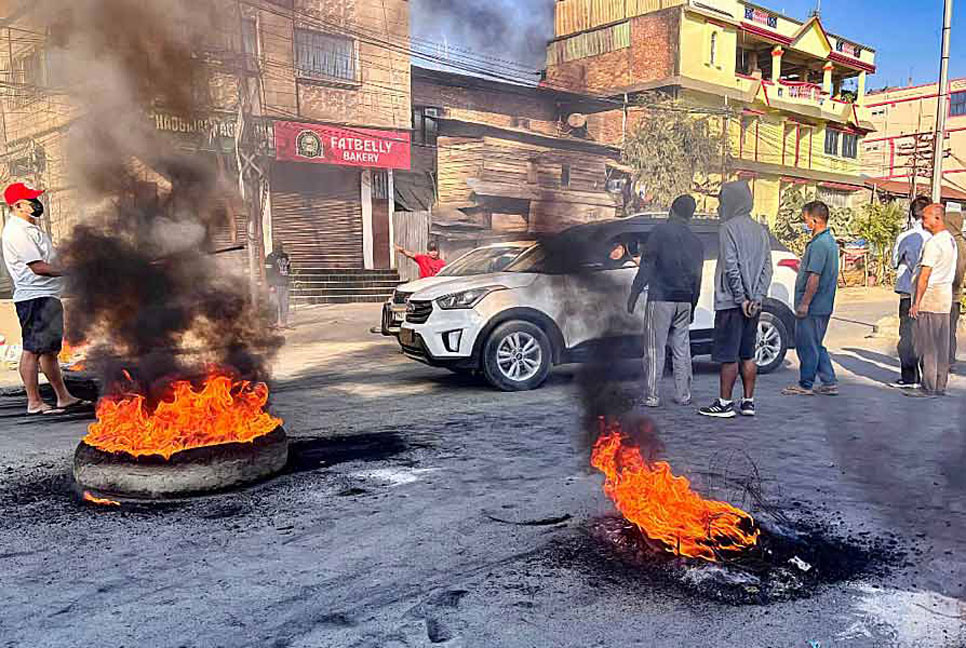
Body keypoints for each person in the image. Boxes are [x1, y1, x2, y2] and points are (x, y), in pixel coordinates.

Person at [1, 182, 85, 415]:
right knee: (32, 350)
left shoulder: (31, 228)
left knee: (48, 351)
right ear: (18, 206)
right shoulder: (17, 232)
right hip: (34, 297)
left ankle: (63, 397)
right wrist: (71, 271)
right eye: (31, 201)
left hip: (47, 295)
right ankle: (34, 402)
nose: (37, 204)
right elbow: (38, 267)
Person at [698, 180, 772, 419]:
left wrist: (741, 299)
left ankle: (724, 403)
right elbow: (767, 269)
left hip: (732, 303)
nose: (720, 206)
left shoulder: (727, 228)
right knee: (748, 354)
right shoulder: (761, 231)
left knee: (728, 355)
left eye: (722, 201)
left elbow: (731, 267)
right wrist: (756, 298)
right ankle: (748, 402)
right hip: (753, 305)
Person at [627, 194, 703, 407]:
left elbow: (647, 265)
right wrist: (693, 304)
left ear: (671, 210)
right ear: (691, 216)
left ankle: (652, 395)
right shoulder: (696, 242)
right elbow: (698, 277)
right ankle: (683, 394)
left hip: (661, 298)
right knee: (681, 349)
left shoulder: (659, 233)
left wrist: (634, 293)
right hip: (685, 300)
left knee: (654, 348)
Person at [782, 201, 839, 396]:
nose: (804, 223)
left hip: (814, 305)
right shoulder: (828, 242)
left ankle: (806, 384)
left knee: (807, 345)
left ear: (815, 220)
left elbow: (814, 278)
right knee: (816, 343)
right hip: (823, 303)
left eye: (806, 220)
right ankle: (829, 381)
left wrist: (804, 303)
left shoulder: (820, 245)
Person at [907, 203, 958, 397]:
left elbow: (925, 275)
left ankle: (928, 387)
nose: (922, 220)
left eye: (926, 217)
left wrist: (916, 303)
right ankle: (940, 385)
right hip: (944, 298)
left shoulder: (934, 243)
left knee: (928, 346)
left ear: (937, 218)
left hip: (931, 297)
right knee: (941, 345)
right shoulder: (949, 240)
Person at [890, 196, 931, 389]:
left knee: (907, 335)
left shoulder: (905, 237)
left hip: (909, 292)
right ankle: (929, 377)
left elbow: (894, 262)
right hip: (930, 294)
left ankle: (909, 377)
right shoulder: (936, 238)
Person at [943, 208, 966, 371]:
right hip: (956, 295)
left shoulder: (947, 242)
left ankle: (941, 361)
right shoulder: (963, 243)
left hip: (944, 293)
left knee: (939, 330)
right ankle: (949, 360)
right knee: (950, 330)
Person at [264, 241, 292, 328]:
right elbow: (268, 272)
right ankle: (273, 323)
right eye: (278, 246)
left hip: (284, 283)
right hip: (275, 284)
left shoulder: (285, 256)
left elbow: (288, 269)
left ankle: (283, 323)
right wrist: (270, 285)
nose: (279, 248)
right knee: (274, 304)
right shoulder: (270, 257)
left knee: (285, 304)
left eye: (280, 246)